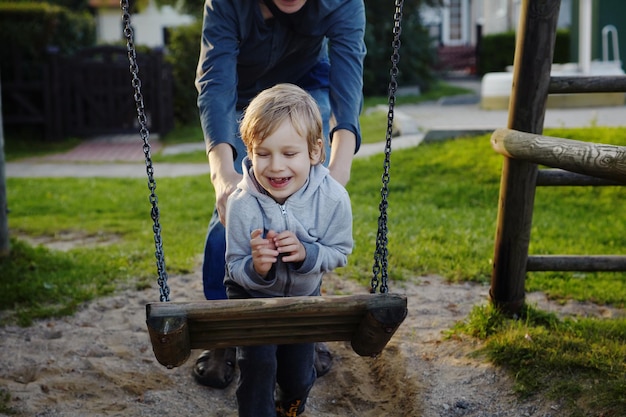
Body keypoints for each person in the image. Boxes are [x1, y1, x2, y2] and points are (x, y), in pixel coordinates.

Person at [194, 0, 365, 389]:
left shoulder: (342, 3)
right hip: (240, 98)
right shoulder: (226, 5)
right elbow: (215, 84)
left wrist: (336, 175)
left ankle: (305, 326)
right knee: (232, 214)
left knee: (303, 202)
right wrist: (222, 177)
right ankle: (223, 331)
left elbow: (347, 82)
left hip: (307, 93)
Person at [225, 83, 353, 417]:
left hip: (303, 298)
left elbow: (340, 251)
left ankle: (290, 405)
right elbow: (234, 267)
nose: (275, 167)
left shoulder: (333, 198)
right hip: (251, 299)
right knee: (259, 366)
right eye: (263, 154)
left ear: (315, 152)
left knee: (297, 375)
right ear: (249, 153)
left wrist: (308, 255)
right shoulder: (241, 204)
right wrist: (257, 268)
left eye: (289, 153)